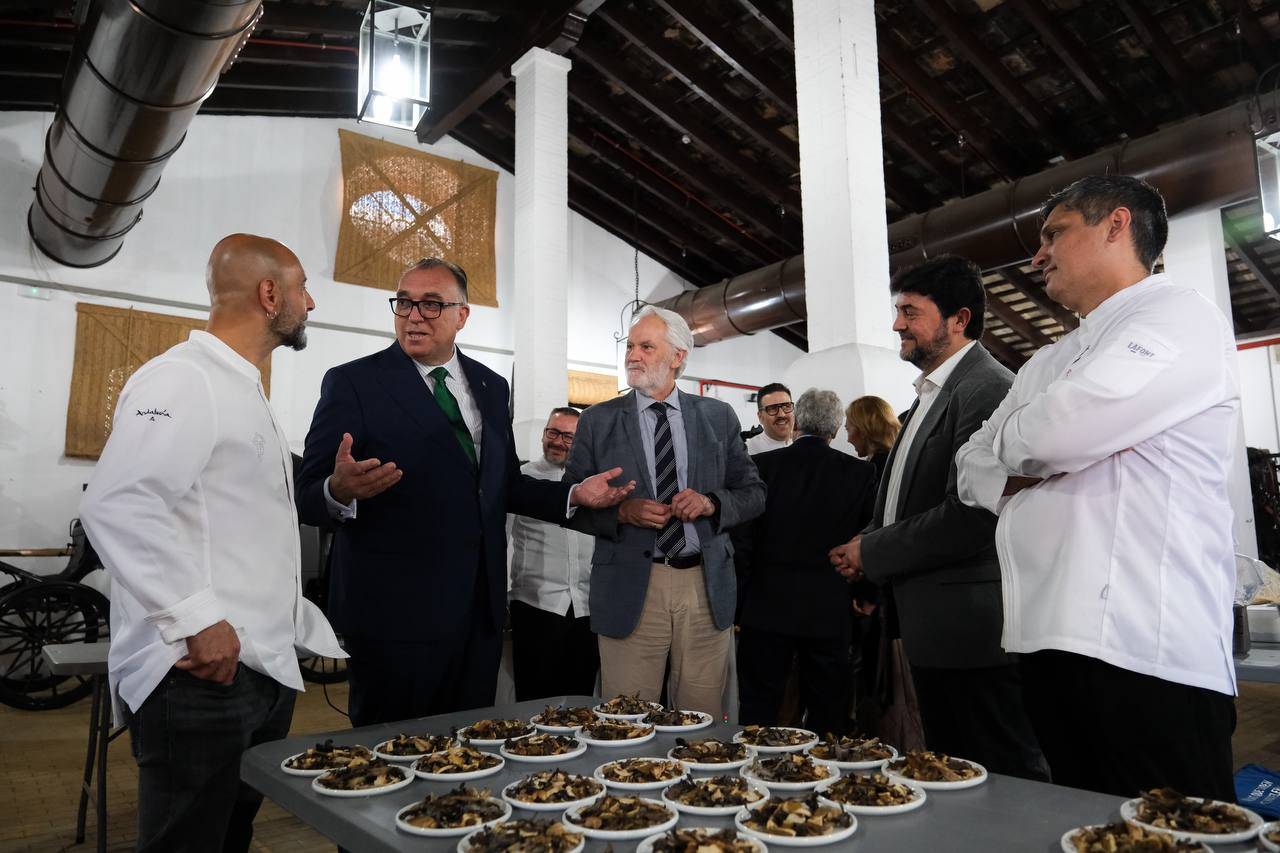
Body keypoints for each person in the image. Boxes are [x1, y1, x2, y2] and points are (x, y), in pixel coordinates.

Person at [956, 175, 1239, 800]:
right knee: (1082, 825)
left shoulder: (1177, 313)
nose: (1038, 256)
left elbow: (1054, 434)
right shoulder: (1045, 361)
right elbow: (969, 468)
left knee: (1169, 832)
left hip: (1145, 647)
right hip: (1043, 640)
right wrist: (1039, 454)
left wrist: (1034, 450)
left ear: (1116, 224)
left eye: (1054, 233)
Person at [80, 234, 345, 853]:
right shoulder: (184, 379)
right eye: (303, 288)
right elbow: (118, 503)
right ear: (269, 294)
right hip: (202, 674)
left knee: (228, 838)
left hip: (255, 667)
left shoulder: (241, 386)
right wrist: (197, 619)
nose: (311, 303)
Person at [296, 258, 630, 726]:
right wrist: (337, 490)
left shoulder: (490, 386)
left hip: (478, 612)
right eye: (404, 303)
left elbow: (503, 484)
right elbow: (308, 493)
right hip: (395, 613)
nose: (414, 316)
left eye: (431, 304)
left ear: (462, 315)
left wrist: (572, 495)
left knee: (468, 745)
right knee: (394, 748)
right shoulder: (354, 382)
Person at [828, 255, 1047, 781]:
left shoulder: (987, 388)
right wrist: (869, 541)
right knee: (954, 771)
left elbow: (972, 513)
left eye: (910, 312)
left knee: (999, 775)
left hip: (972, 630)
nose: (896, 324)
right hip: (935, 623)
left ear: (959, 319)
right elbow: (909, 496)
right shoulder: (933, 391)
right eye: (898, 311)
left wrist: (872, 551)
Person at [564, 305, 766, 717]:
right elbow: (570, 504)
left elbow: (754, 493)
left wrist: (711, 502)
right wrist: (622, 513)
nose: (632, 356)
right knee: (626, 717)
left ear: (677, 357)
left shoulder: (718, 416)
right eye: (630, 346)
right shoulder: (597, 421)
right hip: (631, 586)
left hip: (704, 585)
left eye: (646, 347)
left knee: (700, 717)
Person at [736, 389, 876, 735]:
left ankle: (753, 766)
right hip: (829, 606)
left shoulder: (761, 467)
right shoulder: (860, 473)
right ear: (836, 428)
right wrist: (864, 594)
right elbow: (867, 540)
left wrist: (741, 600)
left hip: (766, 605)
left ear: (797, 421)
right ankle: (824, 767)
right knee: (829, 710)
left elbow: (743, 541)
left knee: (759, 708)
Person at [508, 406, 599, 700]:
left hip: (586, 607)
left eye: (568, 436)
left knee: (580, 700)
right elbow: (501, 539)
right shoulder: (521, 480)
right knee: (534, 700)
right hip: (535, 605)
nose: (558, 441)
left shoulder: (594, 485)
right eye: (553, 432)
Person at [844, 396, 900, 483]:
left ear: (863, 430)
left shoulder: (875, 471)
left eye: (848, 429)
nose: (848, 440)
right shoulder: (895, 459)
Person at [745, 382, 794, 454]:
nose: (782, 414)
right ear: (760, 417)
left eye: (786, 406)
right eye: (772, 408)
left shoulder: (805, 447)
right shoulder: (747, 453)